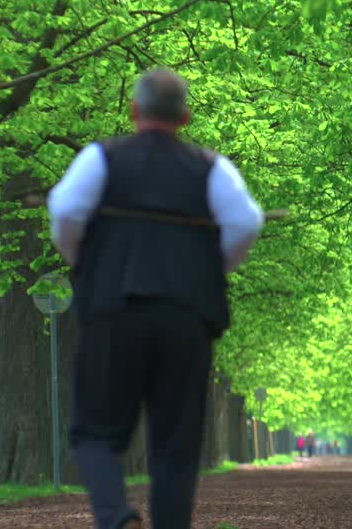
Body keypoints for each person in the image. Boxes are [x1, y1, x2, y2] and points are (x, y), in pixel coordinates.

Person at [48, 68, 264, 529]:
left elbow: (65, 210)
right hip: (185, 318)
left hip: (113, 311)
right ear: (184, 116)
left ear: (133, 111)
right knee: (175, 445)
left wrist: (84, 261)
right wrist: (209, 267)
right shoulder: (212, 168)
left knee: (95, 433)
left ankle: (114, 516)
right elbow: (247, 222)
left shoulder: (100, 159)